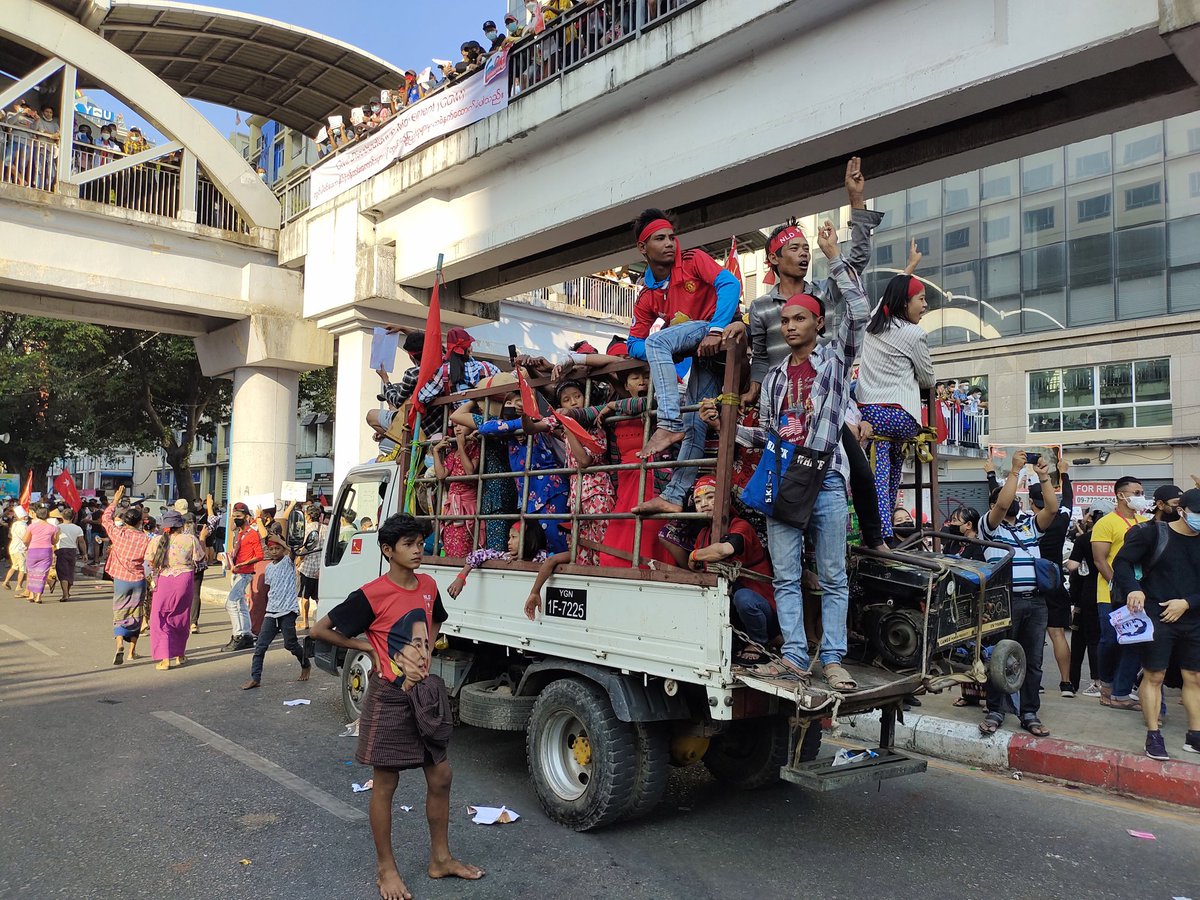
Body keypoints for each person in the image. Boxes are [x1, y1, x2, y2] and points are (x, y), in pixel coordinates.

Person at [310, 515, 484, 900]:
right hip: (389, 697)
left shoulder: (428, 586)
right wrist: (367, 647)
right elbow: (319, 630)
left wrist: (426, 649)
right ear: (388, 550)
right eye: (408, 544)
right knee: (386, 783)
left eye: (420, 543)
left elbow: (436, 619)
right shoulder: (372, 594)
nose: (418, 550)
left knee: (441, 775)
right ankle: (386, 870)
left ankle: (440, 859)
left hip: (424, 695)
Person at [735, 221, 867, 691]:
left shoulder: (835, 361)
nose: (789, 326)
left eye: (799, 319)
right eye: (785, 321)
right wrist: (728, 428)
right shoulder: (773, 379)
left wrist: (834, 257)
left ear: (818, 324)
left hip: (826, 478)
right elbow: (770, 436)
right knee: (787, 577)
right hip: (784, 481)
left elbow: (860, 312)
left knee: (832, 576)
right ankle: (793, 656)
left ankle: (831, 658)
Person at [622, 208, 741, 500]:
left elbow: (730, 284)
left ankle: (667, 423)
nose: (669, 243)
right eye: (660, 238)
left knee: (656, 343)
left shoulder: (693, 259)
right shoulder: (646, 294)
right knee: (694, 424)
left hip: (716, 331)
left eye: (671, 237)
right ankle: (673, 497)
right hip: (701, 354)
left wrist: (716, 329)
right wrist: (673, 352)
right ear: (642, 247)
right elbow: (633, 344)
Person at [1114, 487, 1200, 760]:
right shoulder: (1153, 534)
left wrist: (1187, 603)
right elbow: (1122, 562)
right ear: (1182, 511)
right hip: (1157, 616)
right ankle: (1153, 735)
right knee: (1154, 675)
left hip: (1193, 617)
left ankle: (1195, 735)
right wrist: (1133, 589)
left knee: (1194, 677)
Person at [977, 451, 1058, 738]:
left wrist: (1044, 476)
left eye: (1014, 496)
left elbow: (1052, 509)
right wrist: (1013, 472)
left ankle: (1029, 713)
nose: (1010, 500)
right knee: (1000, 658)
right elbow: (1002, 503)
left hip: (1035, 601)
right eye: (1004, 497)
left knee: (1033, 661)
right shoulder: (989, 527)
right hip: (1003, 602)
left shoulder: (1030, 525)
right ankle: (996, 710)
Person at [855, 270, 935, 540]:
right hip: (901, 417)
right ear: (904, 302)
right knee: (891, 471)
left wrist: (908, 269)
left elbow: (885, 297)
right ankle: (884, 529)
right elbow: (928, 379)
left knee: (879, 471)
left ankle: (881, 533)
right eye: (921, 299)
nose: (925, 305)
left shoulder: (873, 322)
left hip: (868, 413)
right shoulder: (914, 334)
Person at [685, 475, 782, 671]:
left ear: (725, 499)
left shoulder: (741, 526)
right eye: (698, 500)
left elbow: (725, 550)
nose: (704, 504)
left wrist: (694, 555)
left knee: (743, 597)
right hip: (732, 610)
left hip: (762, 609)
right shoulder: (704, 534)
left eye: (710, 497)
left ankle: (759, 642)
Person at [458, 388, 570, 554]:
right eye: (509, 403)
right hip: (528, 495)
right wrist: (514, 424)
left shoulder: (538, 420)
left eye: (519, 402)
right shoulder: (507, 430)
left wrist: (521, 421)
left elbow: (530, 425)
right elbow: (486, 428)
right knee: (536, 540)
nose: (514, 406)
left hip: (550, 489)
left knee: (555, 537)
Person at [1092, 475, 1150, 710]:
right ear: (1120, 495)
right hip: (1110, 594)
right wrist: (1119, 586)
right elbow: (1100, 560)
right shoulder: (1106, 523)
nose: (1141, 497)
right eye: (1136, 493)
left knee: (1134, 643)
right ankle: (1106, 686)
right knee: (1110, 641)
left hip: (1138, 594)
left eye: (1142, 493)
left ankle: (1122, 692)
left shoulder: (1144, 522)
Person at [1029, 457, 1075, 697]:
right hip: (1055, 582)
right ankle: (1066, 683)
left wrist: (992, 476)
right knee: (1057, 634)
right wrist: (1064, 474)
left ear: (1030, 502)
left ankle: (1034, 682)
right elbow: (1068, 500)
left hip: (1032, 584)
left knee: (1032, 636)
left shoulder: (1027, 524)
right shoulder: (1062, 519)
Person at [554, 379, 613, 565]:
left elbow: (585, 460)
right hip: (577, 494)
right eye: (566, 400)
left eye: (577, 396)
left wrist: (568, 427)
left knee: (601, 544)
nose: (573, 402)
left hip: (597, 492)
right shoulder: (565, 431)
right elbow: (535, 426)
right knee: (582, 547)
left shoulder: (595, 426)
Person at [242, 535, 310, 689]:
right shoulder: (268, 568)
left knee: (290, 644)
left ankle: (305, 664)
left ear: (282, 549)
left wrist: (280, 541)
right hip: (271, 612)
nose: (274, 551)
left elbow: (292, 552)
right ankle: (255, 678)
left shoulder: (288, 562)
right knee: (260, 646)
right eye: (271, 549)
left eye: (277, 548)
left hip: (288, 610)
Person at [144, 509, 204, 670]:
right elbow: (199, 558)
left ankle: (165, 659)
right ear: (181, 525)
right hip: (184, 580)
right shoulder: (190, 539)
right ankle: (180, 655)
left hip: (164, 580)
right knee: (180, 617)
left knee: (160, 617)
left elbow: (150, 562)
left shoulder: (156, 540)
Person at [103, 486, 151, 665]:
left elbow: (105, 519)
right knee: (136, 614)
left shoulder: (118, 533)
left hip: (121, 579)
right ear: (139, 523)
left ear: (125, 521)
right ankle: (132, 651)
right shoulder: (145, 539)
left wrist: (115, 501)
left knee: (120, 612)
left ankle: (119, 645)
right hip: (138, 579)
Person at [1067, 503, 1108, 697]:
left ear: (1091, 517)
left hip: (1088, 593)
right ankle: (1102, 681)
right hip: (1112, 591)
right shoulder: (1119, 536)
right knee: (1099, 638)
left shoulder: (1085, 540)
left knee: (1083, 638)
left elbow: (1072, 566)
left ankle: (1076, 683)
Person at [447, 521, 549, 599]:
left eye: (513, 537)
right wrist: (461, 577)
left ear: (528, 539)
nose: (509, 542)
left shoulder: (541, 557)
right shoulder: (506, 556)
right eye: (509, 537)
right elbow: (479, 554)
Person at [431, 422, 480, 558]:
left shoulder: (475, 447)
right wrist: (435, 451)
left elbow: (469, 471)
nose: (457, 428)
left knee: (465, 544)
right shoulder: (453, 453)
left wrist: (461, 446)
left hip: (467, 507)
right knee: (450, 543)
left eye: (461, 424)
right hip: (452, 508)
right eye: (455, 426)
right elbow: (441, 475)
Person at [224, 502, 261, 652]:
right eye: (234, 516)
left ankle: (238, 635)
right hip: (237, 571)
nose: (235, 518)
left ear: (246, 517)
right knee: (241, 605)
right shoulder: (240, 533)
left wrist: (244, 563)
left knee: (231, 603)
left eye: (238, 516)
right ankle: (246, 635)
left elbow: (259, 555)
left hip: (244, 573)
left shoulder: (252, 533)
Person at [296, 503, 326, 630]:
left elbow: (304, 548)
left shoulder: (306, 529)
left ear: (308, 515)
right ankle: (322, 622)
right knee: (319, 597)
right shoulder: (326, 528)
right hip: (321, 568)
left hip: (307, 568)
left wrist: (299, 559)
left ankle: (305, 622)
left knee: (305, 596)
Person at [53, 508, 85, 601]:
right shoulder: (77, 528)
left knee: (62, 573)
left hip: (61, 550)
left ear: (62, 517)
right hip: (72, 551)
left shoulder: (58, 527)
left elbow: (54, 540)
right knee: (70, 572)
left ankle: (65, 594)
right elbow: (81, 542)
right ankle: (67, 591)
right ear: (73, 517)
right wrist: (84, 553)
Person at [4, 506, 29, 596]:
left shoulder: (14, 524)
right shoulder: (23, 526)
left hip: (13, 547)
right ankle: (19, 585)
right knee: (22, 568)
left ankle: (6, 581)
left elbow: (10, 535)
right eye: (25, 516)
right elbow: (25, 538)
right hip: (20, 548)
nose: (26, 517)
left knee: (14, 566)